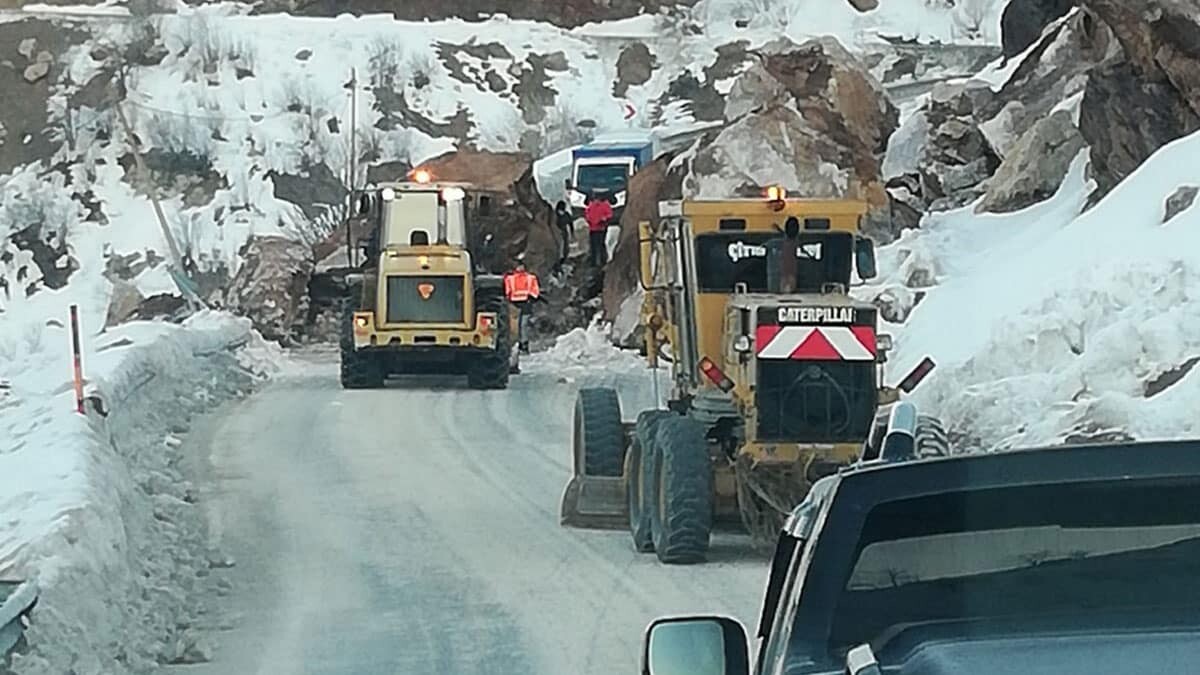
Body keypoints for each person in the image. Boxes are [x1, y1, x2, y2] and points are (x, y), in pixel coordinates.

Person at [503, 255, 542, 354]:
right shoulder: (510, 278)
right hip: (517, 304)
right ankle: (520, 345)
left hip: (522, 303)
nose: (520, 268)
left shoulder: (530, 278)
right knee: (519, 325)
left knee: (521, 325)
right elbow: (507, 291)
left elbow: (535, 291)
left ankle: (522, 345)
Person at [766, 216, 801, 293]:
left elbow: (786, 236)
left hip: (787, 272)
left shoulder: (789, 242)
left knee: (788, 281)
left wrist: (778, 229)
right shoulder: (793, 242)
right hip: (788, 271)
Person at [583, 191, 614, 267]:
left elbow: (609, 215)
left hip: (599, 229)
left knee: (599, 245)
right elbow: (587, 215)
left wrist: (603, 219)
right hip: (596, 229)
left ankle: (600, 262)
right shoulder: (593, 206)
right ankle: (595, 262)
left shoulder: (603, 205)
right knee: (596, 246)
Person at [554, 200, 573, 267]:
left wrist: (572, 233)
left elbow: (571, 224)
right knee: (558, 247)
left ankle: (564, 259)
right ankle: (558, 261)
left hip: (564, 232)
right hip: (556, 233)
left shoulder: (566, 215)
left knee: (565, 246)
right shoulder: (554, 215)